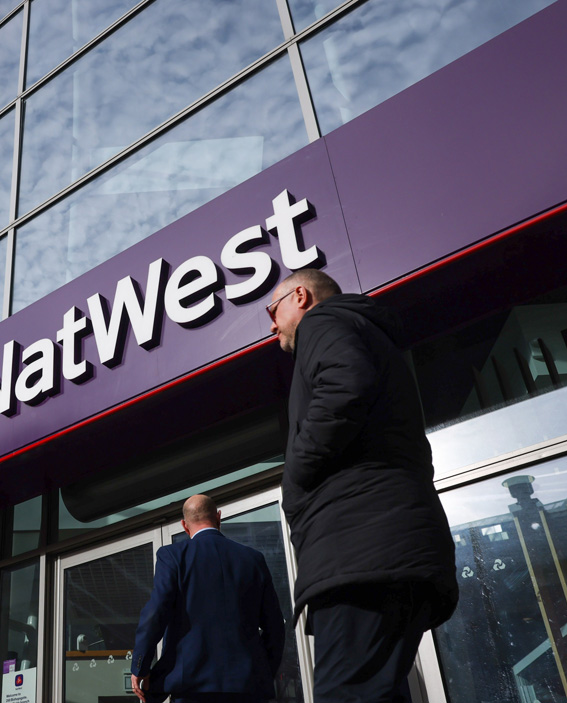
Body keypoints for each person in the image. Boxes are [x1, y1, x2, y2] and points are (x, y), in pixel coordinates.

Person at [267, 269, 457, 702]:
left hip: (362, 553)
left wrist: (297, 470)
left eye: (272, 311)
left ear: (301, 296)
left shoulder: (322, 321)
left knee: (346, 694)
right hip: (382, 550)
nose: (271, 325)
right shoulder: (362, 331)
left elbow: (346, 383)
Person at [130, 494, 285, 703]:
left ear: (184, 525)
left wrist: (140, 666)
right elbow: (275, 627)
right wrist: (261, 672)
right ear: (218, 517)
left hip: (191, 687)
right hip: (247, 687)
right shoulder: (253, 559)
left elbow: (156, 612)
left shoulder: (172, 556)